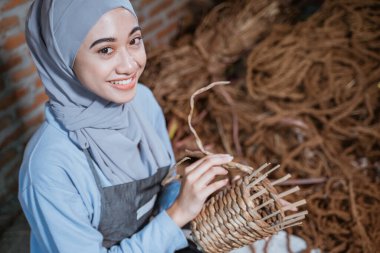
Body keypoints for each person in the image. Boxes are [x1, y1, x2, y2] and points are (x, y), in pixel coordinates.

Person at [18, 0, 233, 252]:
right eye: (105, 50)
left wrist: (201, 193)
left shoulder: (141, 101)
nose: (130, 65)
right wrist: (177, 214)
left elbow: (160, 189)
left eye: (134, 41)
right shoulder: (49, 166)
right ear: (62, 59)